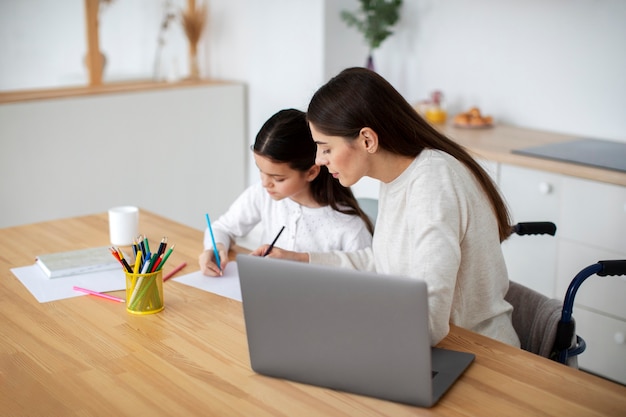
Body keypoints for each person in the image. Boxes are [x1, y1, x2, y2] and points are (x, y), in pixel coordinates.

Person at [253, 69, 520, 347]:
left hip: (479, 352)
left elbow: (426, 320)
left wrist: (338, 318)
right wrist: (302, 261)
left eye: (326, 148)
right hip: (440, 346)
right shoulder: (396, 178)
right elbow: (385, 264)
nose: (319, 159)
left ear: (367, 140)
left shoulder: (432, 184)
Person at [199, 108, 373, 276]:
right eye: (261, 171)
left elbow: (367, 276)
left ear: (311, 172)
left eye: (278, 178)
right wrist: (216, 247)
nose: (265, 183)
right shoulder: (262, 195)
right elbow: (222, 228)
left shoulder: (349, 226)